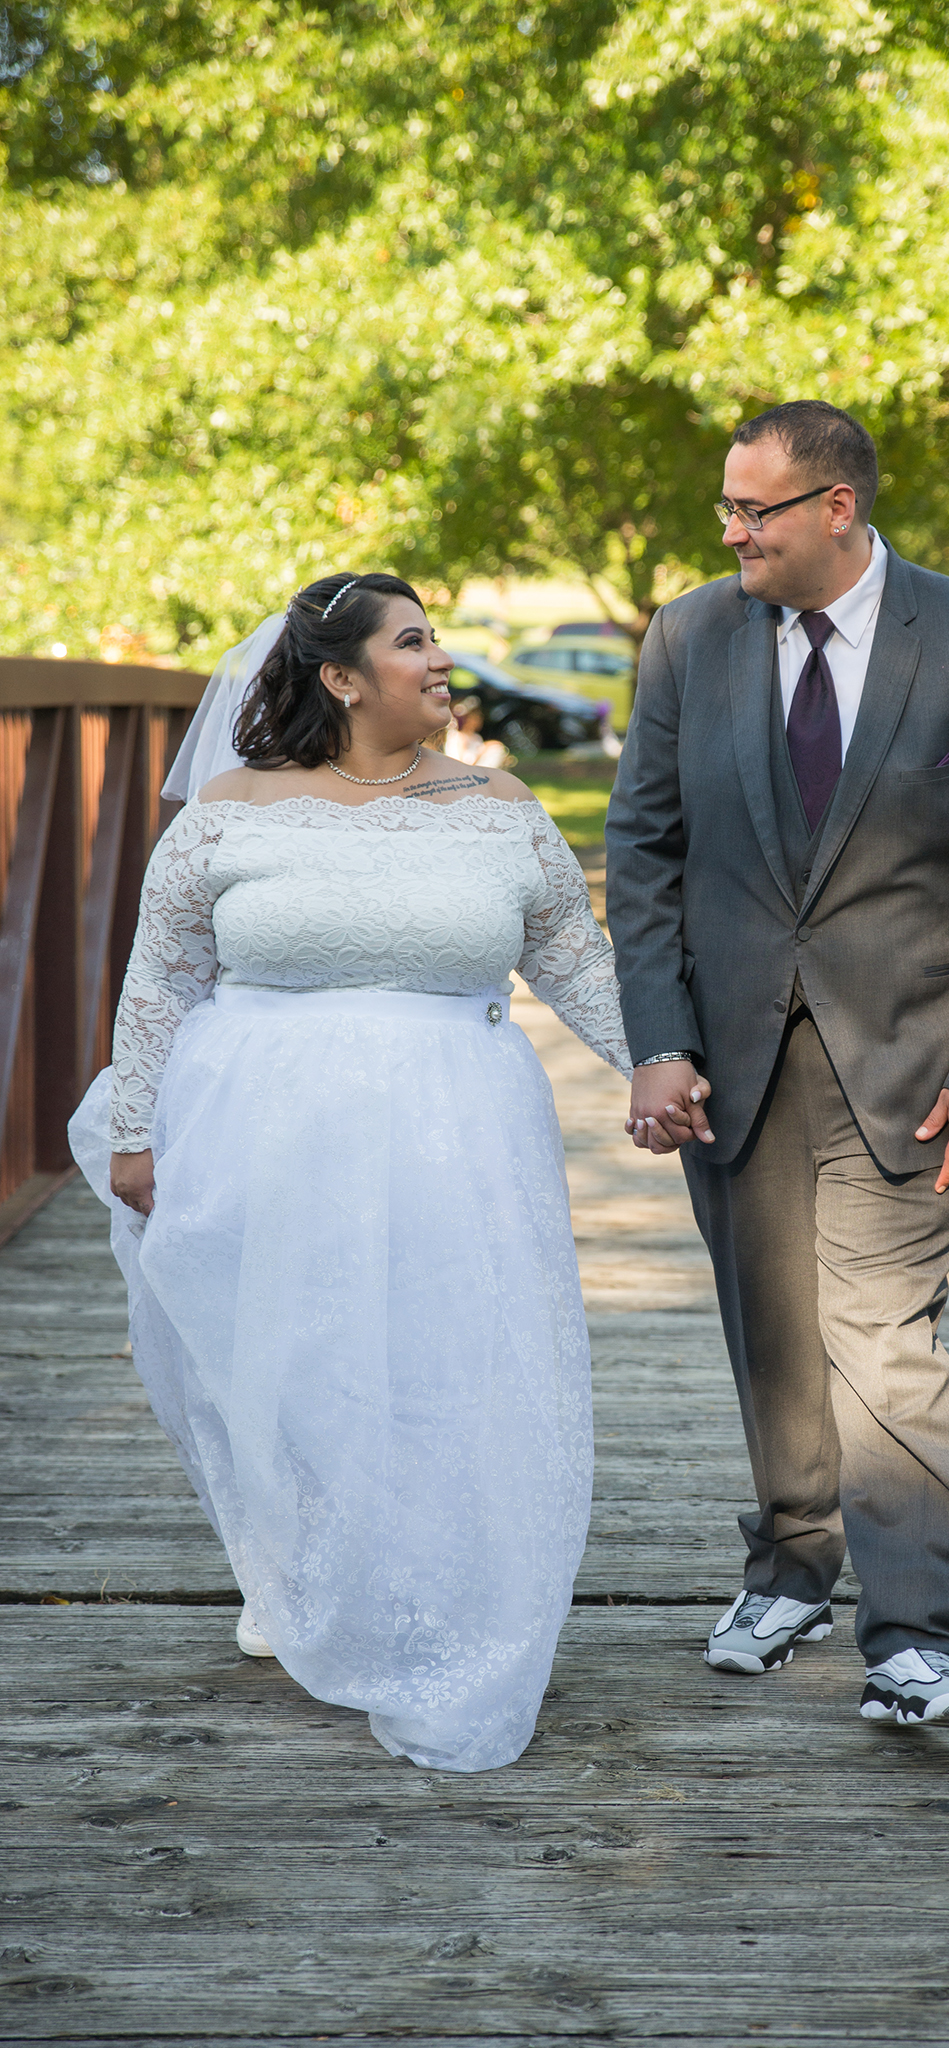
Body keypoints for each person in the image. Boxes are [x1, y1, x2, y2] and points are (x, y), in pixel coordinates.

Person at [68, 571, 635, 1773]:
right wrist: (132, 1128)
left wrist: (657, 1067)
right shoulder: (228, 809)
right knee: (294, 1358)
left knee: (439, 1355)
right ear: (340, 675)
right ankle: (291, 1569)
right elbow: (159, 975)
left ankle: (439, 1580)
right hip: (260, 1124)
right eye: (413, 642)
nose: (441, 661)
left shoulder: (499, 804)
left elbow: (572, 959)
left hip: (458, 1127)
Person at [605, 401, 949, 1729]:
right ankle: (791, 1564)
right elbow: (640, 854)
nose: (731, 531)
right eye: (726, 510)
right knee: (772, 1332)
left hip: (909, 1056)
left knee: (883, 1335)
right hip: (730, 1057)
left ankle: (912, 1636)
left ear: (836, 509)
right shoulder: (689, 637)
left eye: (754, 510)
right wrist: (658, 1039)